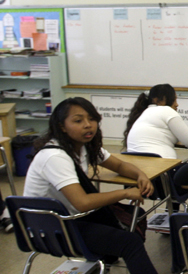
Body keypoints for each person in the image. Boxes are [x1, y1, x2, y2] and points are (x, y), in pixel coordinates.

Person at [23, 97, 158, 274]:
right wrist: (124, 193)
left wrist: (141, 175)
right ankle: (109, 256)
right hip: (49, 229)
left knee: (135, 215)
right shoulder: (55, 156)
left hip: (69, 218)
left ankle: (107, 258)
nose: (88, 125)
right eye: (78, 121)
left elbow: (119, 165)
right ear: (62, 126)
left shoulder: (84, 146)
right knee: (129, 241)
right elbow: (82, 203)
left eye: (92, 119)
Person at [124, 83, 188, 159]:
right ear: (159, 100)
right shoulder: (167, 110)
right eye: (174, 100)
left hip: (136, 165)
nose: (177, 104)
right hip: (161, 165)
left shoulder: (145, 112)